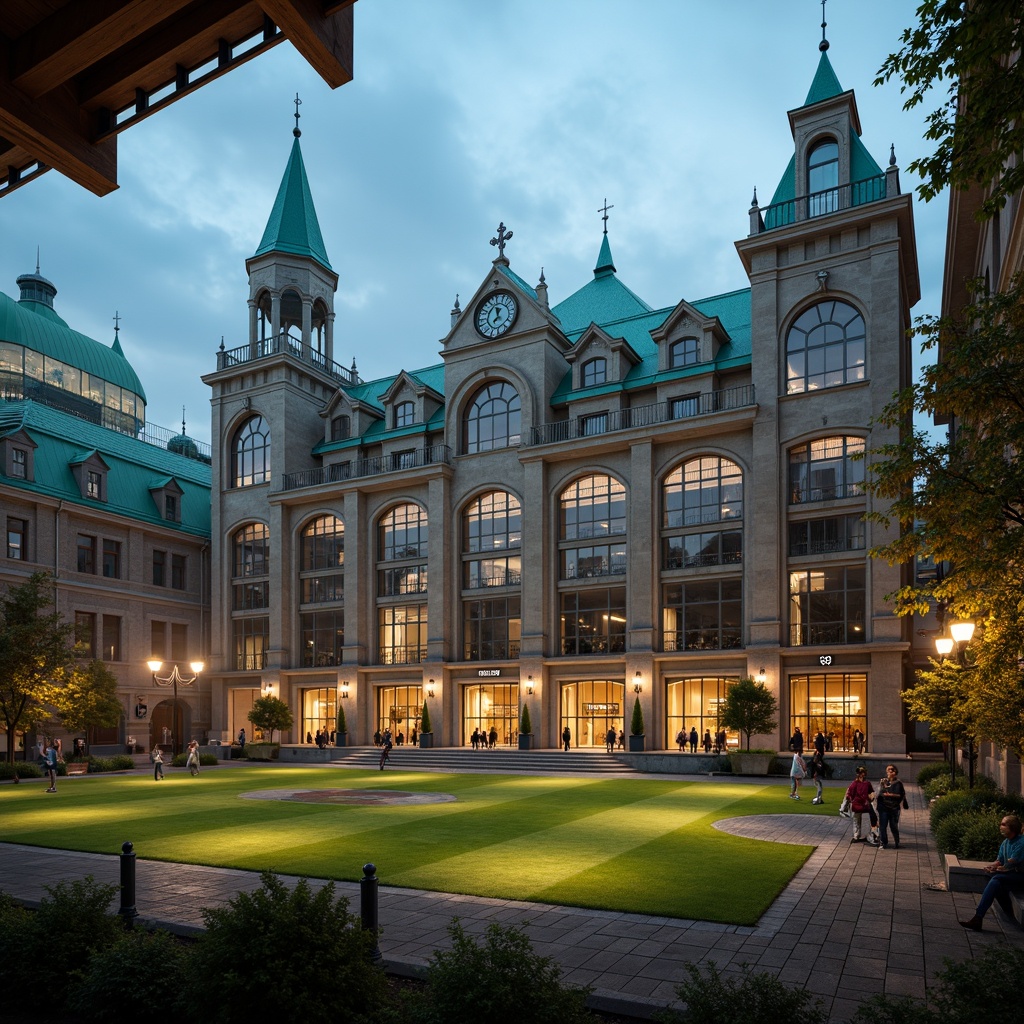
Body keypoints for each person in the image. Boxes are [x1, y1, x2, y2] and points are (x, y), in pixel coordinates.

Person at [959, 814, 1024, 930]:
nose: (1000, 827)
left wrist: (999, 869)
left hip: (1020, 875)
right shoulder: (1005, 842)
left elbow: (1011, 863)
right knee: (995, 881)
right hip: (1011, 874)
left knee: (996, 879)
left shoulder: (1021, 843)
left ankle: (978, 917)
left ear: (1012, 827)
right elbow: (1000, 861)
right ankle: (979, 918)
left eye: (1003, 824)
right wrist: (991, 866)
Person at [844, 766, 879, 845]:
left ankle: (871, 834)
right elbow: (849, 793)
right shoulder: (855, 783)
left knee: (870, 818)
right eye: (862, 772)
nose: (863, 774)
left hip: (865, 804)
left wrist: (872, 797)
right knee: (856, 820)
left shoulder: (867, 783)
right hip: (857, 804)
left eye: (864, 772)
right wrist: (849, 798)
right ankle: (856, 835)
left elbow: (871, 792)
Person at [876, 764, 908, 849]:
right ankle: (883, 843)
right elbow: (879, 793)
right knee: (883, 826)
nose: (890, 771)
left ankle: (897, 842)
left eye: (892, 769)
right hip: (884, 807)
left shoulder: (898, 783)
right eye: (888, 769)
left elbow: (900, 795)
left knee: (893, 826)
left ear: (895, 772)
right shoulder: (883, 781)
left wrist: (891, 794)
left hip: (894, 808)